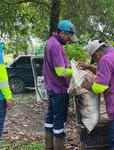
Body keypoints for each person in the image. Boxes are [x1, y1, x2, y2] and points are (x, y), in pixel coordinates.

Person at [43, 20, 77, 150]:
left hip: (52, 87)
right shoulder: (56, 45)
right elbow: (60, 71)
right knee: (59, 119)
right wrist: (76, 70)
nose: (69, 40)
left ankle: (48, 146)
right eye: (68, 37)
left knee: (50, 117)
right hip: (59, 89)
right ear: (62, 33)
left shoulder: (50, 42)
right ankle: (58, 147)